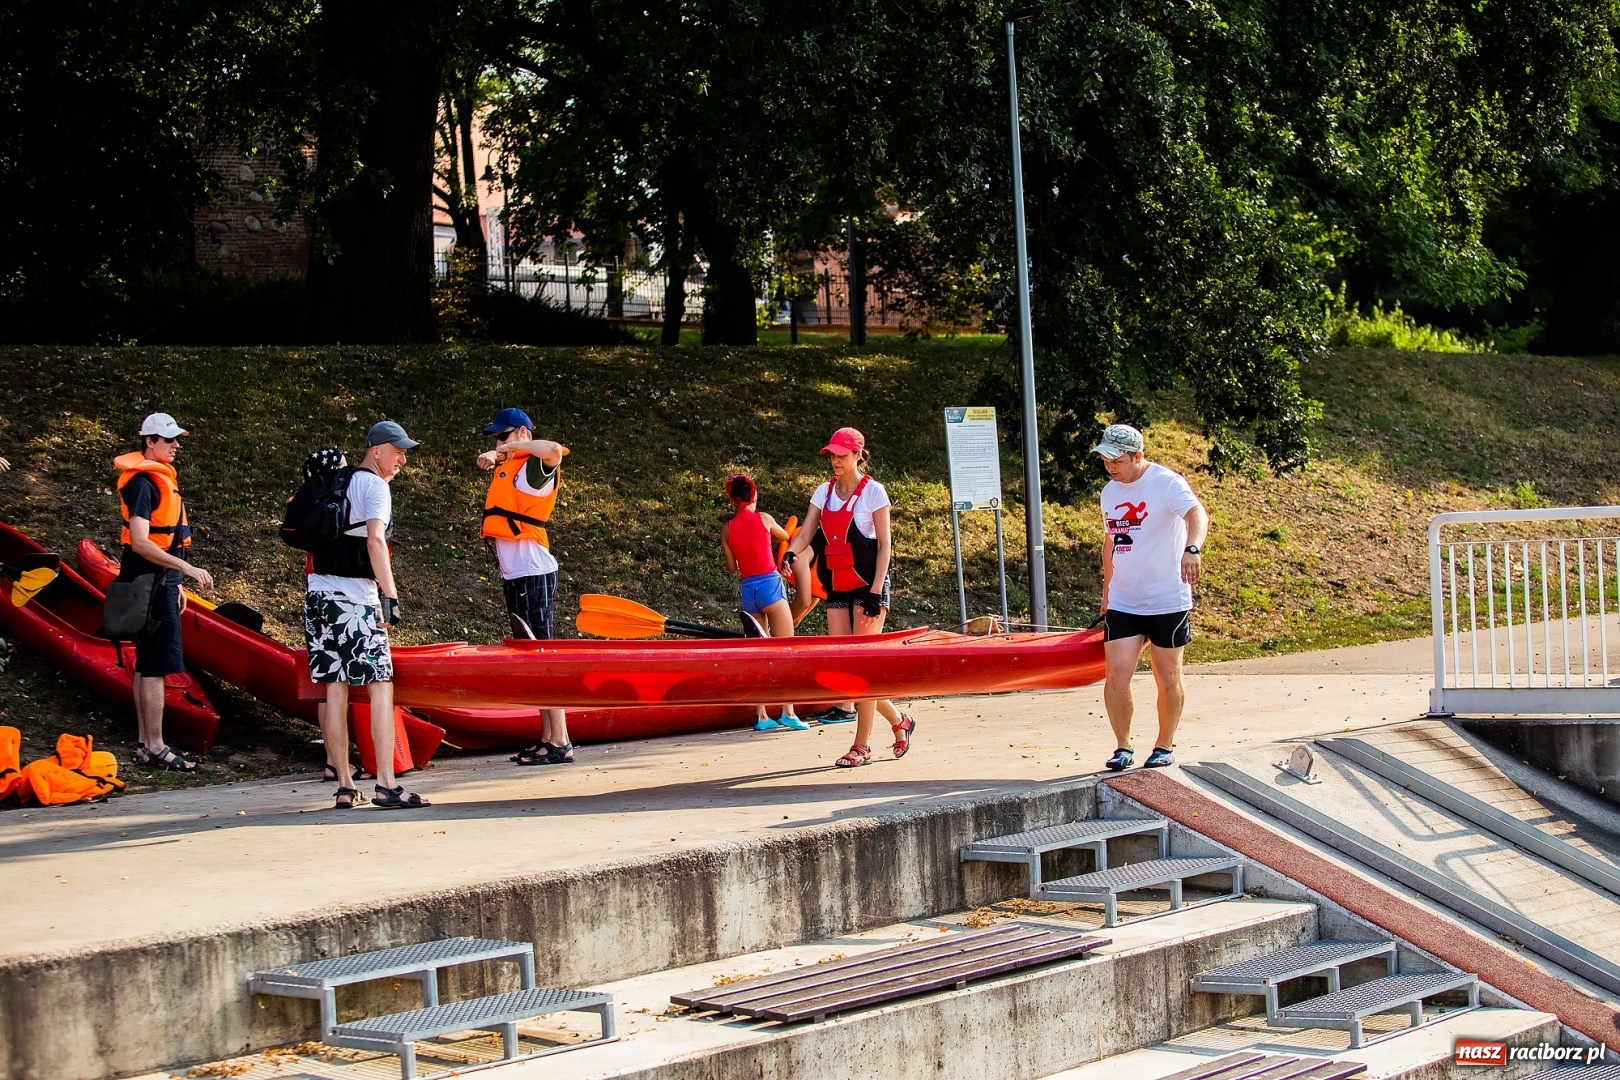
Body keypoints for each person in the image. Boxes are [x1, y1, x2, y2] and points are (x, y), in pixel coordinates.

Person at [305, 421, 429, 809]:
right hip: (355, 600)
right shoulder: (374, 486)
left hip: (318, 597)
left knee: (335, 688)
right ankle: (386, 785)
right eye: (398, 452)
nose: (402, 459)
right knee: (380, 685)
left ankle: (345, 786)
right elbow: (375, 540)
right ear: (376, 450)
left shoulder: (337, 481)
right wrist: (390, 596)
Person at [783, 427, 914, 767]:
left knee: (863, 669)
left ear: (858, 454)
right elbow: (806, 533)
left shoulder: (874, 492)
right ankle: (900, 720)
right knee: (847, 668)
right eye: (832, 455)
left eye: (842, 455)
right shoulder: (823, 492)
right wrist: (791, 554)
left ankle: (861, 746)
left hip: (869, 586)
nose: (836, 461)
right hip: (838, 585)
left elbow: (884, 545)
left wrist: (876, 591)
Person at [1094, 423, 1209, 771]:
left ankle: (1164, 744)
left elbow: (1197, 514)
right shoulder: (1109, 492)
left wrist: (1192, 549)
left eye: (1117, 460)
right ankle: (1123, 746)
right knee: (1117, 675)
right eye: (1105, 460)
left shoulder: (1166, 483)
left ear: (1137, 456)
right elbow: (1111, 543)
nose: (1110, 467)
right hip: (1124, 600)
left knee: (1167, 675)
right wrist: (1107, 591)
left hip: (1167, 599)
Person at [113, 413, 214, 771]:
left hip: (158, 580)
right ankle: (155, 745)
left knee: (148, 663)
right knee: (155, 664)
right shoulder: (143, 483)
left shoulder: (156, 479)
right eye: (168, 440)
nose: (175, 445)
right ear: (149, 442)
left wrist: (176, 581)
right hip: (149, 581)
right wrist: (184, 568)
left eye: (176, 439)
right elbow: (141, 541)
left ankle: (146, 744)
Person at [475, 407, 575, 766]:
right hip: (517, 575)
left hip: (532, 573)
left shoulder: (533, 467)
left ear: (520, 433)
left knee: (542, 657)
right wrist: (505, 452)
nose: (497, 443)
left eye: (502, 436)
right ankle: (548, 737)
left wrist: (507, 450)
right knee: (532, 659)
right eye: (495, 438)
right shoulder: (515, 466)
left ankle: (560, 740)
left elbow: (553, 450)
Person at [720, 473, 807, 731]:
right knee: (785, 651)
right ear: (754, 497)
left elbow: (731, 568)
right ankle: (787, 712)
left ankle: (761, 716)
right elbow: (785, 535)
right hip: (770, 584)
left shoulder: (726, 529)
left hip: (749, 590)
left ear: (733, 501)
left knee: (758, 654)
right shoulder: (765, 519)